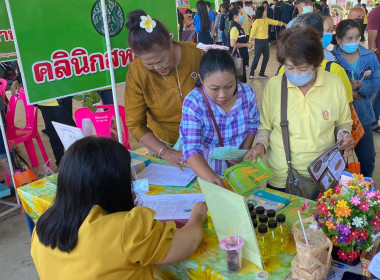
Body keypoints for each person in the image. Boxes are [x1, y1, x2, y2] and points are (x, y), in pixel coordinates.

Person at [31, 137, 207, 280]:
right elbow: (188, 243)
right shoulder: (125, 228)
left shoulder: (41, 226)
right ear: (113, 186)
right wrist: (197, 216)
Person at [244, 26, 353, 199]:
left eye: (303, 69)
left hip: (323, 176)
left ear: (316, 62)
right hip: (281, 176)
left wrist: (344, 136)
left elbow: (343, 122)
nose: (295, 74)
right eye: (289, 67)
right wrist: (259, 145)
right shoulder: (274, 86)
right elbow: (265, 127)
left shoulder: (334, 84)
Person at [124, 10, 204, 170]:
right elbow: (135, 124)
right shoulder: (137, 71)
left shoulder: (197, 55)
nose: (157, 67)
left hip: (205, 141)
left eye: (160, 60)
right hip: (164, 143)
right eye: (149, 64)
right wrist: (165, 151)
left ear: (170, 40)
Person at [180, 50, 259, 187]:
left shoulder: (247, 93)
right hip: (206, 171)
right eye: (214, 88)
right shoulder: (194, 102)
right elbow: (192, 149)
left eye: (229, 86)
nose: (222, 95)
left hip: (239, 172)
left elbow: (252, 126)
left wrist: (243, 155)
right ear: (201, 79)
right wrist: (211, 178)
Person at [332, 19, 380, 177]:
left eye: (357, 38)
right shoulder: (332, 59)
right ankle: (338, 193)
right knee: (337, 160)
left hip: (363, 115)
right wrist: (347, 95)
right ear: (339, 40)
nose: (354, 42)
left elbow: (376, 83)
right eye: (349, 38)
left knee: (368, 158)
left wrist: (362, 87)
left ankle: (365, 190)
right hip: (338, 118)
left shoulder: (368, 56)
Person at [278, 13, 353, 104]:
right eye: (290, 67)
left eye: (303, 68)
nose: (295, 72)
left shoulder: (335, 72)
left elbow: (345, 112)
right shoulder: (282, 71)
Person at [248, 6, 286, 80]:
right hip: (259, 42)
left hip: (265, 41)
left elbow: (274, 22)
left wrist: (283, 24)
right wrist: (250, 42)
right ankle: (251, 73)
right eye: (265, 11)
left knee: (266, 58)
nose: (266, 12)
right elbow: (252, 33)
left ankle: (261, 73)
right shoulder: (256, 22)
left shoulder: (266, 19)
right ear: (261, 12)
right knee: (257, 58)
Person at [229, 7, 252, 83]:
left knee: (242, 77)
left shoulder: (239, 27)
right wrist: (246, 45)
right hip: (238, 57)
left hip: (242, 57)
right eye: (241, 14)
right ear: (235, 16)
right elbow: (232, 44)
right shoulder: (235, 28)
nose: (243, 16)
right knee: (240, 79)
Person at [367, 5, 380, 133]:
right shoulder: (376, 12)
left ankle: (374, 121)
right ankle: (367, 122)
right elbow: (371, 40)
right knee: (373, 94)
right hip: (378, 62)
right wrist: (373, 62)